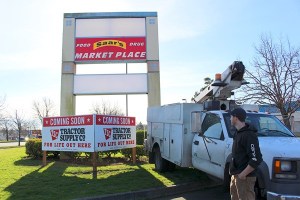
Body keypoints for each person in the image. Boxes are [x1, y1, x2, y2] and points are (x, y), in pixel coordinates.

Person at [229, 107, 263, 200]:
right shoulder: (238, 133)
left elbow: (256, 159)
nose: (230, 119)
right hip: (236, 175)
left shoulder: (249, 135)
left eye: (231, 117)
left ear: (236, 118)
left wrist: (243, 174)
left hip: (245, 178)